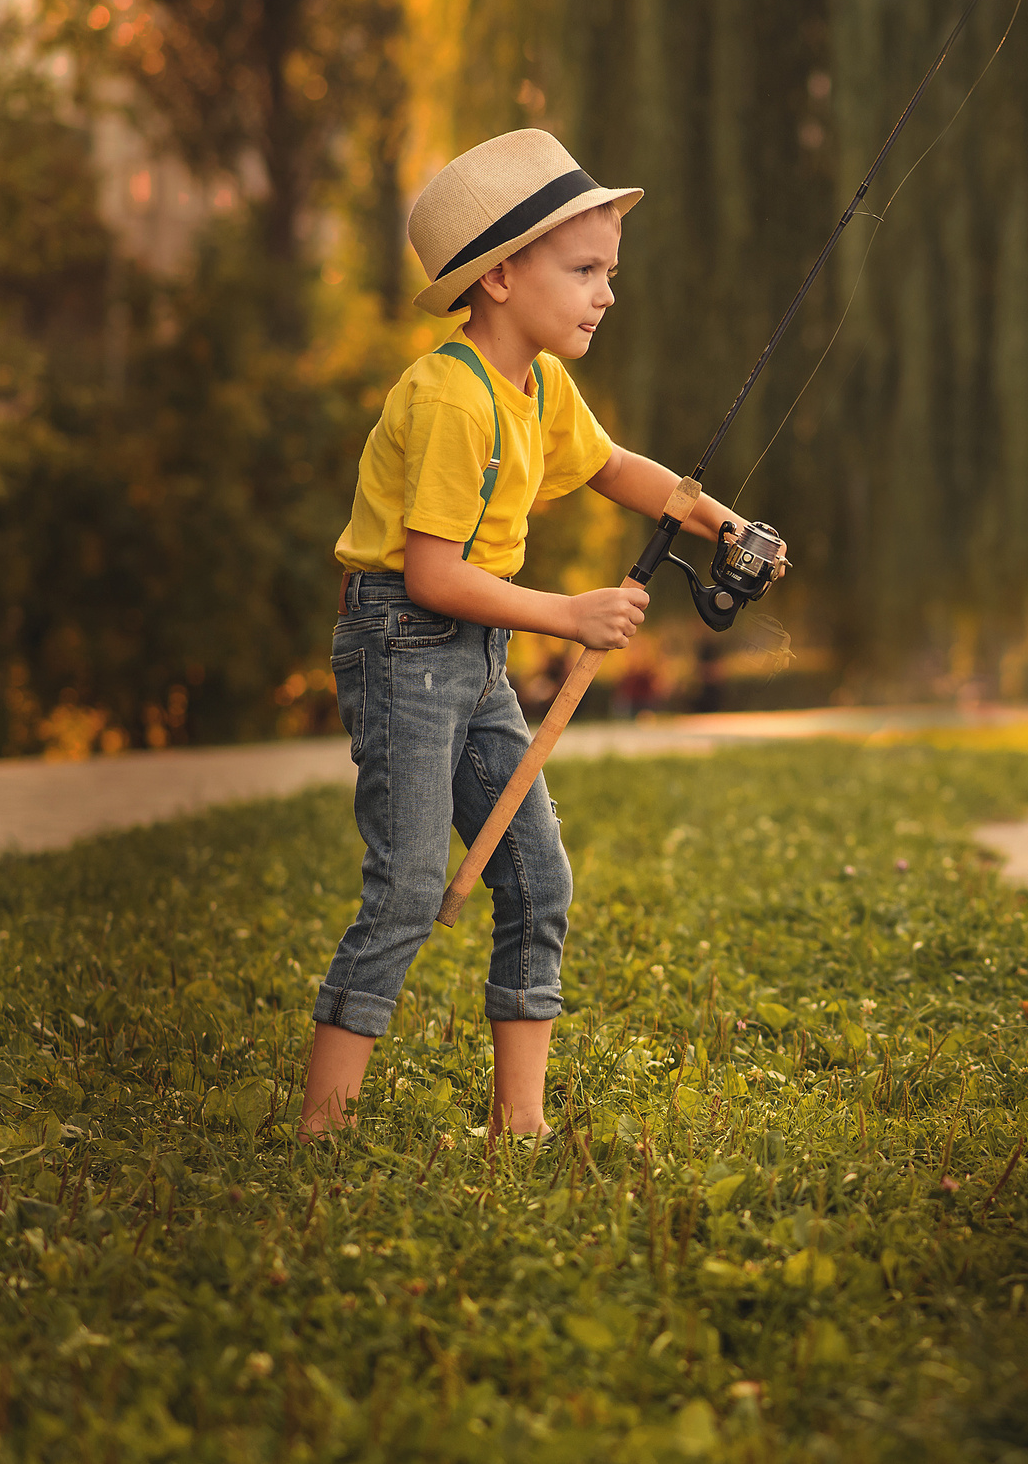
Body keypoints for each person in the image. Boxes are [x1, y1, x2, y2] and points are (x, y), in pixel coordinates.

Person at [299, 130, 777, 1139]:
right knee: (407, 887)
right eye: (585, 270)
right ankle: (319, 1126)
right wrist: (567, 612)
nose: (606, 291)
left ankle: (520, 1126)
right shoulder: (448, 398)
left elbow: (616, 468)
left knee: (535, 878)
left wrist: (722, 522)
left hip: (474, 655)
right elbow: (428, 573)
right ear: (504, 275)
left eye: (610, 271)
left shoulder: (542, 387)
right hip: (403, 646)